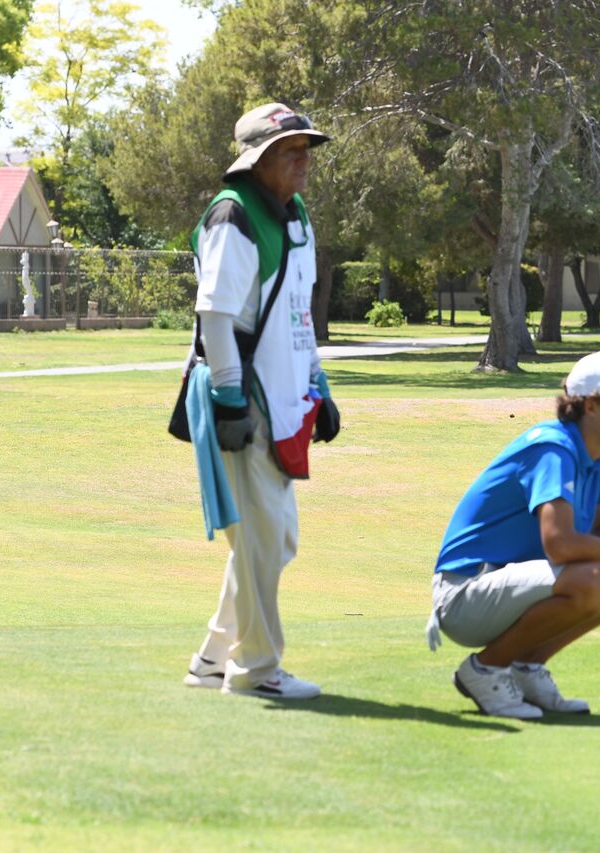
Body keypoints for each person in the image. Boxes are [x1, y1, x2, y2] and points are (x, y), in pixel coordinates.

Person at [426, 351, 600, 719]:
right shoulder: (552, 448)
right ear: (591, 406)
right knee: (592, 579)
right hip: (465, 594)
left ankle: (527, 667)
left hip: (513, 586)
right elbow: (560, 545)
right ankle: (484, 670)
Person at [181, 103, 341, 699]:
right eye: (290, 150)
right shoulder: (235, 213)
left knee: (273, 540)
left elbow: (297, 313)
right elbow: (216, 317)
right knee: (261, 538)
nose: (303, 160)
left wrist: (319, 388)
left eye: (305, 148)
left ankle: (212, 659)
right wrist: (227, 400)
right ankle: (255, 672)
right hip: (242, 395)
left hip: (282, 396)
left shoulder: (294, 215)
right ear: (258, 160)